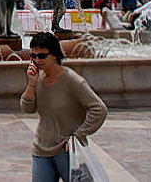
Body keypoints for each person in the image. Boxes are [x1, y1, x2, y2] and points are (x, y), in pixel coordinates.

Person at [21, 32, 107, 181]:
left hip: (68, 152)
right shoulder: (37, 77)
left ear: (54, 55)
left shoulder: (72, 80)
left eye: (41, 56)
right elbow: (27, 108)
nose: (36, 60)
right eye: (33, 56)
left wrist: (79, 134)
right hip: (41, 150)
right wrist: (31, 84)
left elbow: (99, 109)